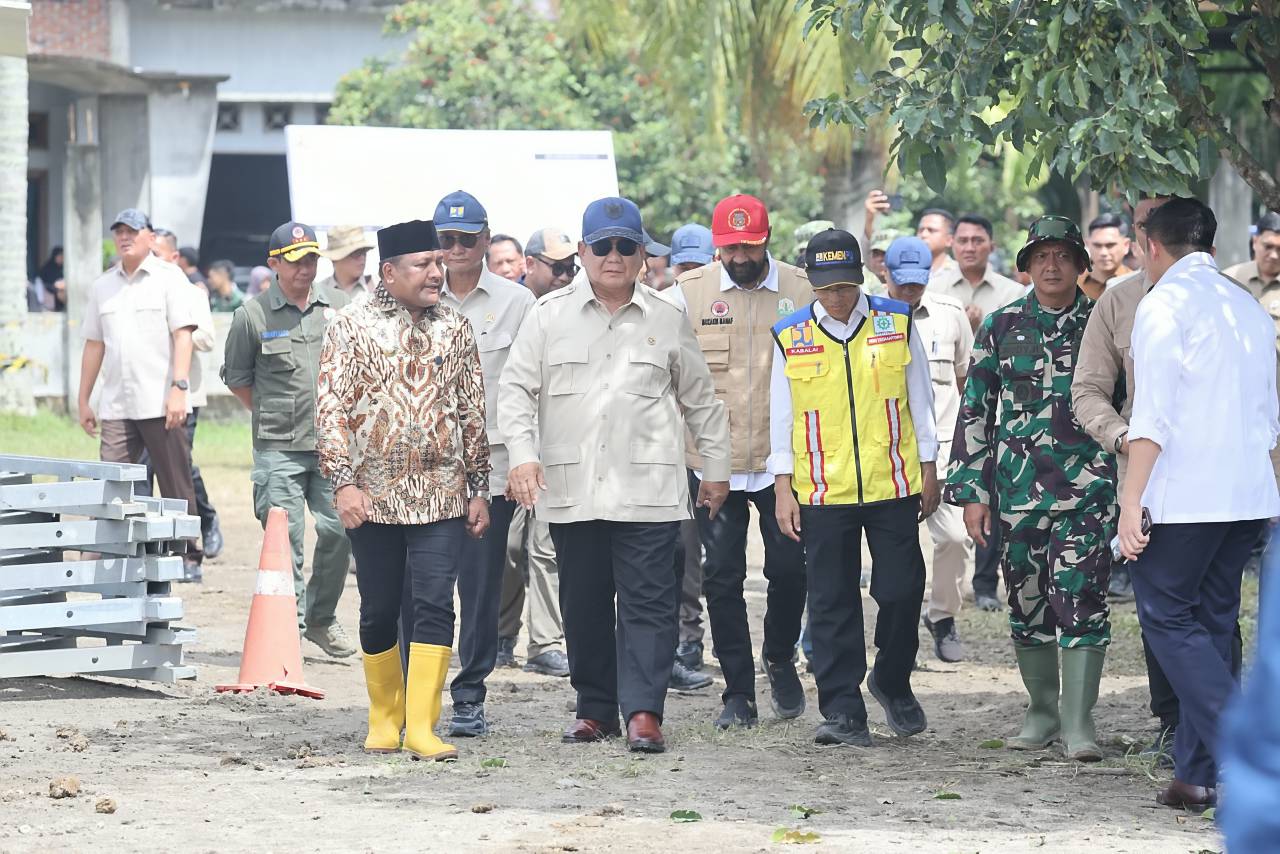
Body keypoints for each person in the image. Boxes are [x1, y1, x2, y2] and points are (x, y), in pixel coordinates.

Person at [499, 196, 730, 753]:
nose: (614, 256)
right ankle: (596, 708)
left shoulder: (666, 317)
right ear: (582, 252)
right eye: (602, 246)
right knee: (584, 604)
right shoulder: (548, 315)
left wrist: (716, 469)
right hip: (572, 488)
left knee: (650, 602)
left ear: (642, 253)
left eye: (626, 246)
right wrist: (522, 455)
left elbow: (700, 399)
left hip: (649, 490)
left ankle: (644, 712)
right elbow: (516, 389)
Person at [1117, 197, 1280, 810]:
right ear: (1210, 244)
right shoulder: (1247, 307)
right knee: (1212, 624)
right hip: (1246, 494)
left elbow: (1151, 416)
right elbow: (1270, 417)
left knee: (1167, 618)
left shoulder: (1163, 304)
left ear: (1151, 246)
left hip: (1188, 496)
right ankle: (1195, 775)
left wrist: (1130, 500)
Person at [316, 218, 491, 762]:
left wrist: (479, 488)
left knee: (436, 604)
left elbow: (472, 411)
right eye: (424, 264)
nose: (437, 272)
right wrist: (343, 483)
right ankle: (384, 718)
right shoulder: (351, 326)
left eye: (438, 262)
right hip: (372, 496)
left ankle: (422, 726)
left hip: (442, 492)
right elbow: (329, 410)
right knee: (378, 608)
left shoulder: (455, 327)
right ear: (389, 272)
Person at [946, 216, 1114, 762]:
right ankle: (1042, 711)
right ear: (1026, 265)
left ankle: (1078, 721)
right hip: (1018, 494)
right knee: (1027, 599)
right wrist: (973, 492)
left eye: (1063, 255)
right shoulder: (1001, 325)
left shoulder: (1103, 324)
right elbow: (975, 411)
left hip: (1089, 489)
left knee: (1082, 597)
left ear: (1080, 264)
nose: (1052, 265)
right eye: (1041, 256)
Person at [770, 228, 939, 746]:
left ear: (862, 277)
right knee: (830, 601)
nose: (837, 297)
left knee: (903, 590)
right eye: (826, 288)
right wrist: (782, 487)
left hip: (894, 482)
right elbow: (782, 416)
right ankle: (842, 710)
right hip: (822, 489)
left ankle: (892, 680)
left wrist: (930, 467)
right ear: (812, 283)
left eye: (845, 286)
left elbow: (920, 400)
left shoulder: (895, 322)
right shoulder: (791, 334)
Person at [675, 194, 811, 728]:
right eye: (729, 249)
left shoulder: (802, 289)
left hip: (785, 464)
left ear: (766, 239)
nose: (739, 258)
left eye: (748, 248)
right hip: (715, 463)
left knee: (790, 571)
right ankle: (737, 691)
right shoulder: (688, 293)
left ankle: (778, 657)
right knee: (722, 577)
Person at [1071, 196, 1189, 764]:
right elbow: (1088, 388)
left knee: (1215, 608)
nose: (1148, 237)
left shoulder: (1229, 302)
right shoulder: (1119, 301)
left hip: (1218, 480)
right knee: (1158, 607)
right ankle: (1173, 723)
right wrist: (1122, 438)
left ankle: (1212, 727)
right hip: (1145, 480)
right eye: (1141, 226)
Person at [221, 221, 355, 658]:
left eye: (312, 260)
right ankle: (289, 631)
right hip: (278, 447)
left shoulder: (340, 307)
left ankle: (320, 618)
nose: (305, 269)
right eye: (296, 261)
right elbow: (238, 379)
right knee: (286, 539)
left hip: (333, 446)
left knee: (340, 530)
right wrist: (273, 412)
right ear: (274, 264)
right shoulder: (252, 315)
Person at [430, 190, 535, 738]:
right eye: (446, 239)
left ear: (486, 239)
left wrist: (524, 459)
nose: (456, 249)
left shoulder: (518, 303)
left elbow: (529, 387)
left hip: (488, 469)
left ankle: (470, 693)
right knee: (424, 588)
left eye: (466, 238)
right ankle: (417, 692)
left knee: (479, 588)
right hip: (422, 469)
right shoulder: (415, 295)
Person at [78, 209, 202, 576]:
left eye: (133, 231)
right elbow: (94, 345)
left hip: (161, 400)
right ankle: (103, 551)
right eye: (119, 231)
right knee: (110, 480)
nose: (125, 237)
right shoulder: (103, 286)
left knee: (175, 479)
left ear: (150, 236)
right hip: (117, 403)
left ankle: (187, 554)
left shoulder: (169, 277)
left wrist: (179, 387)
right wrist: (84, 399)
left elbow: (184, 335)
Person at [882, 237, 974, 662]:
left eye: (917, 282)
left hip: (942, 449)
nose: (909, 290)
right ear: (884, 273)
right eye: (901, 281)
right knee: (894, 550)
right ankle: (895, 631)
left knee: (955, 537)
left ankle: (942, 616)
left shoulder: (950, 315)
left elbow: (965, 380)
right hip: (888, 451)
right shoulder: (869, 317)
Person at [496, 224, 579, 675]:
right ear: (530, 264)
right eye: (557, 267)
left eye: (571, 267)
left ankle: (546, 642)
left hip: (556, 445)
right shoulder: (508, 306)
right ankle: (502, 634)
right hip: (508, 446)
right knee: (509, 548)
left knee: (547, 549)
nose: (565, 275)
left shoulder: (575, 308)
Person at [152, 228, 224, 561]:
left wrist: (177, 335)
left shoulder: (192, 293)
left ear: (174, 257)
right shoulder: (139, 294)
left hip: (186, 396)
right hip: (147, 398)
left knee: (181, 465)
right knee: (143, 469)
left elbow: (207, 338)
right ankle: (152, 542)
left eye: (157, 254)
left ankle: (205, 521)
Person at [668, 220, 717, 672]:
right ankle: (688, 638)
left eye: (697, 267)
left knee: (721, 556)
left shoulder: (728, 305)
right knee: (682, 552)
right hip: (674, 451)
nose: (689, 276)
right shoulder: (660, 309)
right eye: (683, 267)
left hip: (721, 449)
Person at [928, 213, 1025, 332]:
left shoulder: (1013, 293)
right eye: (963, 241)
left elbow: (1015, 338)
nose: (970, 248)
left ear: (992, 247)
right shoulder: (933, 289)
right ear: (952, 243)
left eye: (978, 241)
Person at [1080, 213, 1133, 300]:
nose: (1103, 253)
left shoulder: (1136, 285)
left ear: (1126, 245)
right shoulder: (1073, 284)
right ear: (1088, 245)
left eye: (1110, 245)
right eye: (1097, 245)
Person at [318, 224, 375, 298]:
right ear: (335, 258)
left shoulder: (379, 286)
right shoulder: (318, 292)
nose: (362, 257)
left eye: (364, 251)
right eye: (356, 253)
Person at [519, 227, 578, 298]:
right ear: (530, 264)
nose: (564, 278)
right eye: (557, 268)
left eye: (570, 269)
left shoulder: (569, 302)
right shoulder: (511, 301)